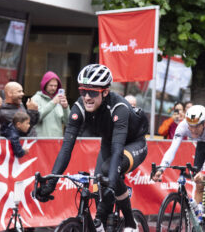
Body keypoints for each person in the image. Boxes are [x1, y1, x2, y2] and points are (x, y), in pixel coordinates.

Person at [34, 64, 149, 231]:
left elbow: (117, 150)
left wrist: (111, 184)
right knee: (97, 187)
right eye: (83, 91)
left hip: (133, 143)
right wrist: (51, 183)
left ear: (105, 91)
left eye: (93, 92)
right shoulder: (79, 107)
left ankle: (131, 223)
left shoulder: (119, 107)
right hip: (109, 142)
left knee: (109, 171)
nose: (87, 97)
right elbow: (66, 149)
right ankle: (101, 223)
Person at [152, 105, 205, 225]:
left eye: (196, 127)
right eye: (191, 127)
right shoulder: (183, 126)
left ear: (204, 124)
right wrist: (161, 168)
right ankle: (198, 222)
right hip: (203, 142)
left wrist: (204, 171)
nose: (193, 130)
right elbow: (172, 149)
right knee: (198, 181)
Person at [31, 71, 70, 137]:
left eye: (55, 86)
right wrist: (53, 103)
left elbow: (68, 123)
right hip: (40, 142)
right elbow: (36, 118)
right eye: (51, 85)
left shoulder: (59, 99)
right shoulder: (35, 99)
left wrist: (65, 108)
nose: (53, 88)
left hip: (57, 142)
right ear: (44, 85)